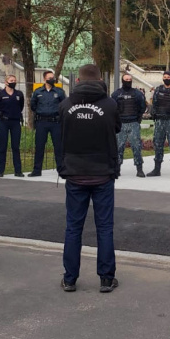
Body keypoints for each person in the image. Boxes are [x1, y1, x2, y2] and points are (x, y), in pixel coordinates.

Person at [58, 64, 121, 293]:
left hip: (75, 173)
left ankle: (70, 278)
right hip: (102, 172)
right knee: (104, 228)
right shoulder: (110, 104)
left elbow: (61, 134)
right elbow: (116, 128)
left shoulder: (66, 105)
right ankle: (106, 278)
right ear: (100, 80)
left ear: (78, 81)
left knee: (73, 228)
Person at [28, 70, 66, 177]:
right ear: (44, 79)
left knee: (58, 147)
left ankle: (61, 170)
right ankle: (37, 170)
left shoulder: (59, 92)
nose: (52, 79)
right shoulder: (38, 92)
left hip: (56, 122)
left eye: (53, 77)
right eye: (50, 78)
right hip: (42, 122)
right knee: (39, 146)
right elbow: (33, 105)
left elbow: (64, 105)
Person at [111, 73, 147, 177]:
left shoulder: (137, 94)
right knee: (118, 147)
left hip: (133, 123)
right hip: (121, 124)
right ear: (122, 81)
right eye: (126, 79)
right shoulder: (116, 94)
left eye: (130, 79)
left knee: (136, 147)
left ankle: (139, 169)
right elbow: (112, 108)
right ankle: (117, 169)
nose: (128, 81)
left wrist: (138, 117)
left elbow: (142, 107)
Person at [0, 75, 25, 177]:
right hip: (3, 122)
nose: (13, 82)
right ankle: (0, 171)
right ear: (6, 82)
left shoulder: (19, 94)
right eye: (11, 80)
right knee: (2, 146)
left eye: (14, 80)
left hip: (15, 122)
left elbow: (21, 106)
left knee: (16, 147)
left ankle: (18, 171)